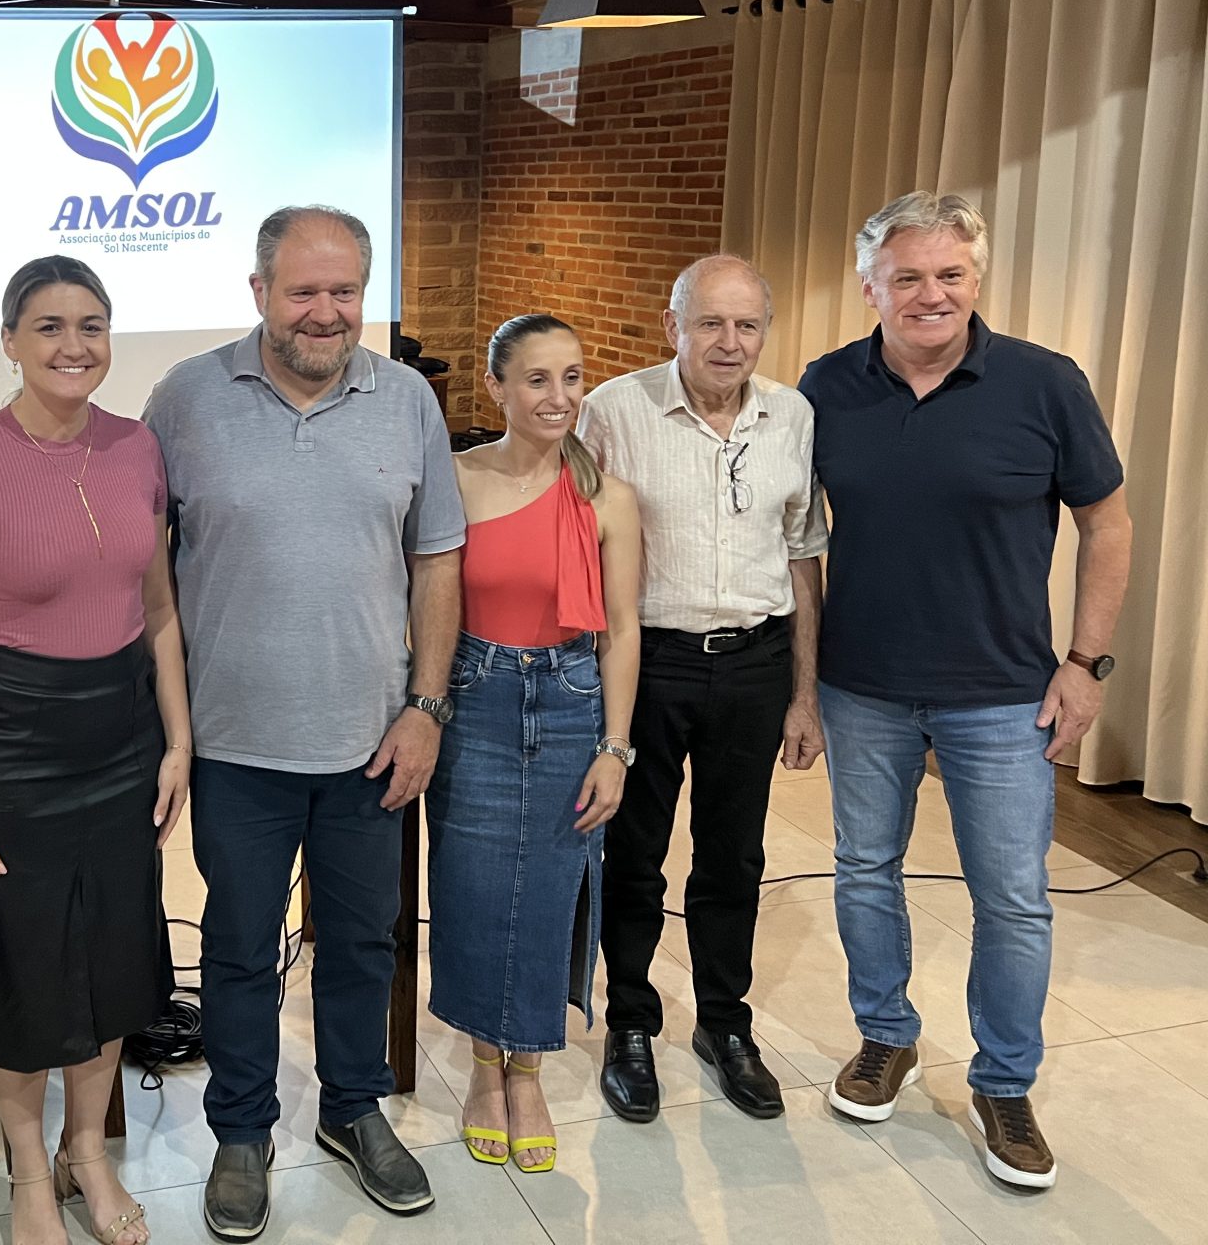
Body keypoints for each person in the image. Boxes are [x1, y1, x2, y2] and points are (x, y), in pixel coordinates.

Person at [143, 205, 465, 1241]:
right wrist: (168, 726)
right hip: (235, 743)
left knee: (363, 941)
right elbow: (144, 569)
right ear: (258, 293)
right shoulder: (185, 398)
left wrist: (426, 708)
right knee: (238, 947)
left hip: (371, 743)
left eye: (344, 292)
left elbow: (437, 561)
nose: (323, 312)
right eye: (301, 291)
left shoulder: (407, 399)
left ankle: (351, 1108)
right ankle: (241, 1129)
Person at [799, 191, 1131, 1190]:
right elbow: (796, 538)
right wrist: (802, 682)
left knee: (1013, 899)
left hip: (1002, 692)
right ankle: (885, 1037)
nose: (929, 294)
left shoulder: (1044, 383)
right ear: (870, 287)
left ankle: (1003, 1082)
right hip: (862, 685)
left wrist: (1084, 663)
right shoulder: (826, 385)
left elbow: (1106, 525)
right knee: (864, 869)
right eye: (906, 277)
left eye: (948, 274)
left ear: (975, 279)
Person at [0, 257, 192, 1245]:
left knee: (111, 954)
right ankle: (28, 1168)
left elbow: (159, 609)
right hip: (12, 743)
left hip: (122, 734)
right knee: (18, 963)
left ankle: (88, 1151)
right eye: (48, 327)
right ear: (9, 341)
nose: (73, 346)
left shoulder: (137, 447)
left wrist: (178, 740)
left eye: (91, 325)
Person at [578, 256, 828, 1124]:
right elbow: (576, 549)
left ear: (765, 331)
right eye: (710, 323)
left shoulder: (793, 415)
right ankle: (631, 1024)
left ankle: (725, 1024)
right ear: (672, 326)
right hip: (649, 661)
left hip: (757, 663)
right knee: (635, 854)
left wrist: (804, 694)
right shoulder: (614, 411)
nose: (729, 342)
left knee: (734, 856)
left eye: (746, 325)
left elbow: (803, 558)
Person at [428, 314, 641, 1174]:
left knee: (553, 889)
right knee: (474, 885)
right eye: (538, 379)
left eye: (573, 378)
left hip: (571, 701)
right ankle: (486, 1067)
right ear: (498, 388)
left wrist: (616, 747)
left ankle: (530, 1072)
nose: (559, 397)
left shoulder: (607, 498)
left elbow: (621, 630)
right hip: (475, 698)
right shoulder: (455, 480)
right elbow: (426, 605)